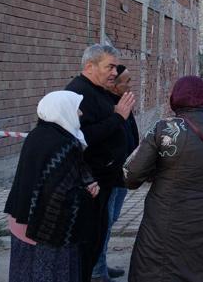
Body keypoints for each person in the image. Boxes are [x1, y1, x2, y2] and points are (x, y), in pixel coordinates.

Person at [124, 76, 203, 282]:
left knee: (159, 270)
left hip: (164, 221)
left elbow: (132, 176)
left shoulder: (163, 128)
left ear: (175, 97)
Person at [4, 91, 100, 282]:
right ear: (63, 110)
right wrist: (87, 193)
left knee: (24, 272)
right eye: (76, 108)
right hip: (49, 231)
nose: (80, 113)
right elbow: (59, 194)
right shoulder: (64, 143)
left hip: (21, 219)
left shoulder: (37, 134)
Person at [66, 44, 136, 282]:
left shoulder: (99, 90)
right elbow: (82, 138)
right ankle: (94, 272)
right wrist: (117, 117)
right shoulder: (77, 94)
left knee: (102, 230)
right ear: (89, 66)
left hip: (111, 177)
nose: (115, 73)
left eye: (115, 67)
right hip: (94, 182)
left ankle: (98, 267)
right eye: (110, 67)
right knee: (92, 235)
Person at [91, 65, 140, 281]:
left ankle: (101, 263)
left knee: (110, 222)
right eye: (126, 81)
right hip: (109, 176)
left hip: (122, 174)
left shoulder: (123, 104)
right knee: (104, 222)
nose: (130, 85)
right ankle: (96, 270)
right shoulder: (109, 108)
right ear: (113, 84)